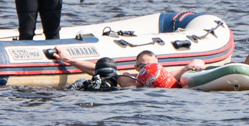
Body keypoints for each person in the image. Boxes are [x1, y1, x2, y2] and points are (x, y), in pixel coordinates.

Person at [52, 46, 205, 88]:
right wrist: (69, 59)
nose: (148, 69)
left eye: (152, 65)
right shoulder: (128, 78)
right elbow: (98, 70)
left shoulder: (170, 75)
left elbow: (194, 64)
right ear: (136, 67)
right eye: (143, 65)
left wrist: (196, 65)